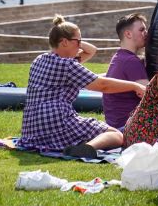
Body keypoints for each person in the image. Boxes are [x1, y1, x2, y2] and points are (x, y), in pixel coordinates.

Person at [18, 15, 146, 158]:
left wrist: (72, 38)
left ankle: (79, 146)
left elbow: (91, 50)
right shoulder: (68, 65)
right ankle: (86, 148)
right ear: (64, 42)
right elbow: (102, 85)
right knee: (116, 135)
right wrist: (135, 86)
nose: (79, 45)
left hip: (31, 129)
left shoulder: (39, 60)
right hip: (57, 122)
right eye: (77, 41)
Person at [103, 13, 150, 129]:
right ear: (128, 34)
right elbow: (150, 96)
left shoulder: (119, 56)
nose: (146, 33)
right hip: (126, 128)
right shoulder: (131, 61)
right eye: (141, 30)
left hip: (115, 125)